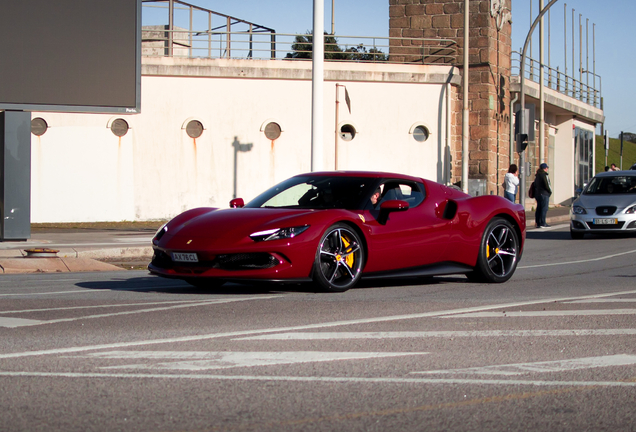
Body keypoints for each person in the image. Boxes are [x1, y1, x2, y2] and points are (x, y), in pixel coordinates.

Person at [534, 163, 552, 228]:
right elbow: (547, 185)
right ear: (545, 168)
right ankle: (543, 222)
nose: (547, 169)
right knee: (544, 208)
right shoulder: (544, 175)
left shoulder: (537, 175)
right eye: (546, 168)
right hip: (544, 194)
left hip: (538, 194)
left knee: (539, 208)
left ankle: (538, 222)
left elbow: (535, 185)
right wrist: (550, 192)